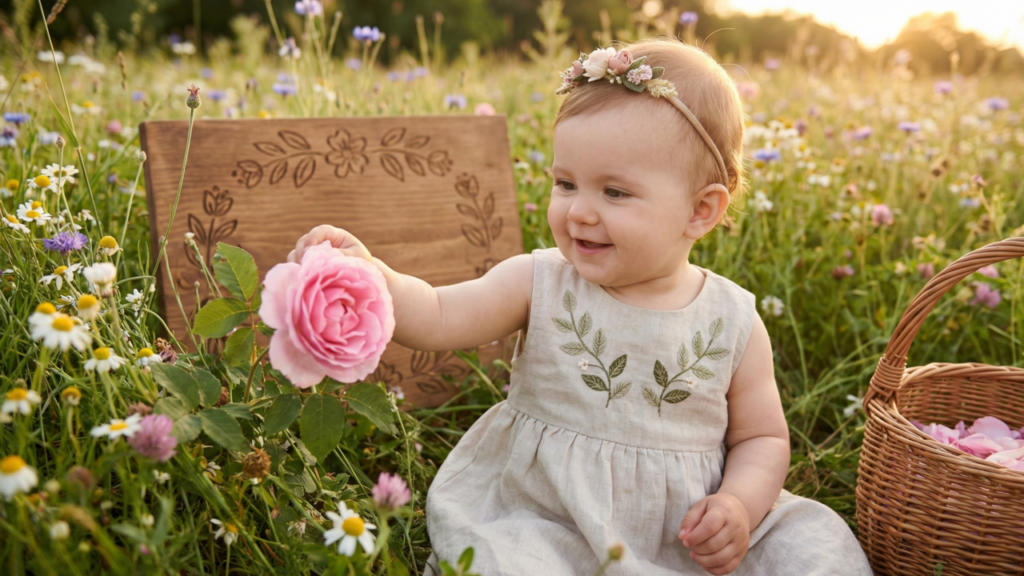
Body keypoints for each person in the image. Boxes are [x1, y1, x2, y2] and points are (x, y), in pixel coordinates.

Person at [288, 37, 871, 576]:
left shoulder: (733, 319)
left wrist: (739, 506)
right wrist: (376, 275)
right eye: (565, 183)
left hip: (686, 531)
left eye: (614, 192)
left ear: (701, 211)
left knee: (816, 548)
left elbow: (762, 439)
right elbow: (438, 313)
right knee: (512, 562)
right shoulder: (538, 280)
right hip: (547, 516)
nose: (579, 212)